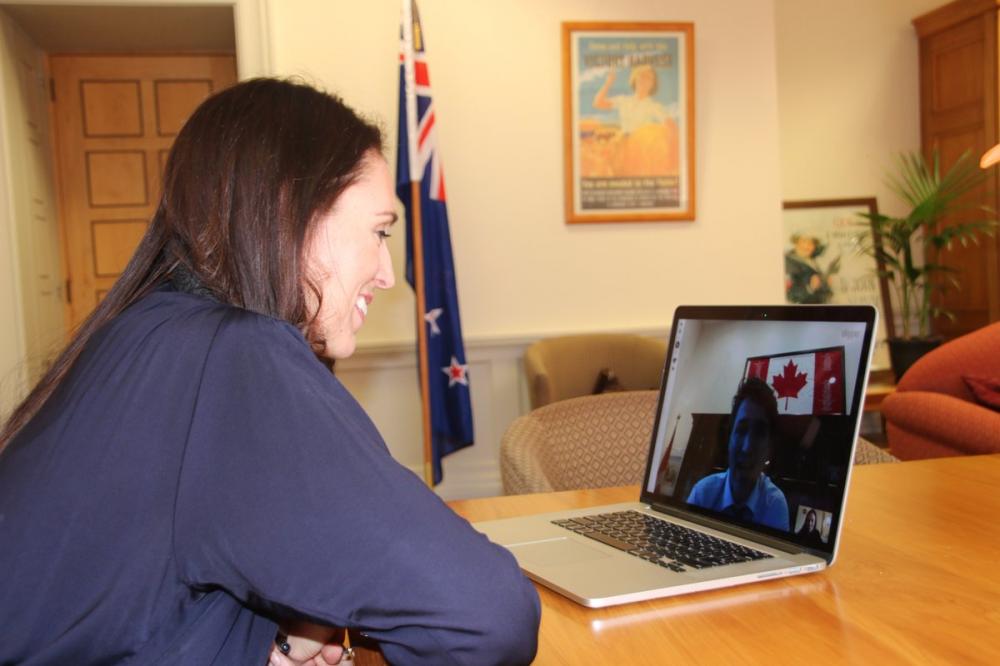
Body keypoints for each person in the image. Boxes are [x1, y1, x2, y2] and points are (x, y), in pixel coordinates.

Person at [0, 78, 540, 665]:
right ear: (290, 210)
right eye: (380, 232)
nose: (388, 273)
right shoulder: (231, 358)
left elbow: (139, 598)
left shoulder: (151, 331)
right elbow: (487, 617)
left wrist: (263, 641)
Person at [686, 377, 790, 531]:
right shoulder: (703, 493)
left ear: (769, 448)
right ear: (729, 438)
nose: (747, 447)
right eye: (741, 430)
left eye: (759, 433)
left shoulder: (775, 505)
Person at [591, 63, 678, 177]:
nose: (644, 81)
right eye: (641, 77)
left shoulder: (654, 106)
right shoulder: (624, 100)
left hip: (641, 148)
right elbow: (598, 103)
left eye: (648, 78)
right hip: (622, 143)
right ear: (634, 80)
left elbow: (671, 126)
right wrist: (608, 83)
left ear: (653, 84)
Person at [784, 234, 836, 304]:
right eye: (804, 241)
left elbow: (818, 288)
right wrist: (809, 287)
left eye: (811, 243)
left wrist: (825, 283)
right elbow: (790, 295)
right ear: (796, 243)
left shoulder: (810, 259)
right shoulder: (788, 262)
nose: (807, 246)